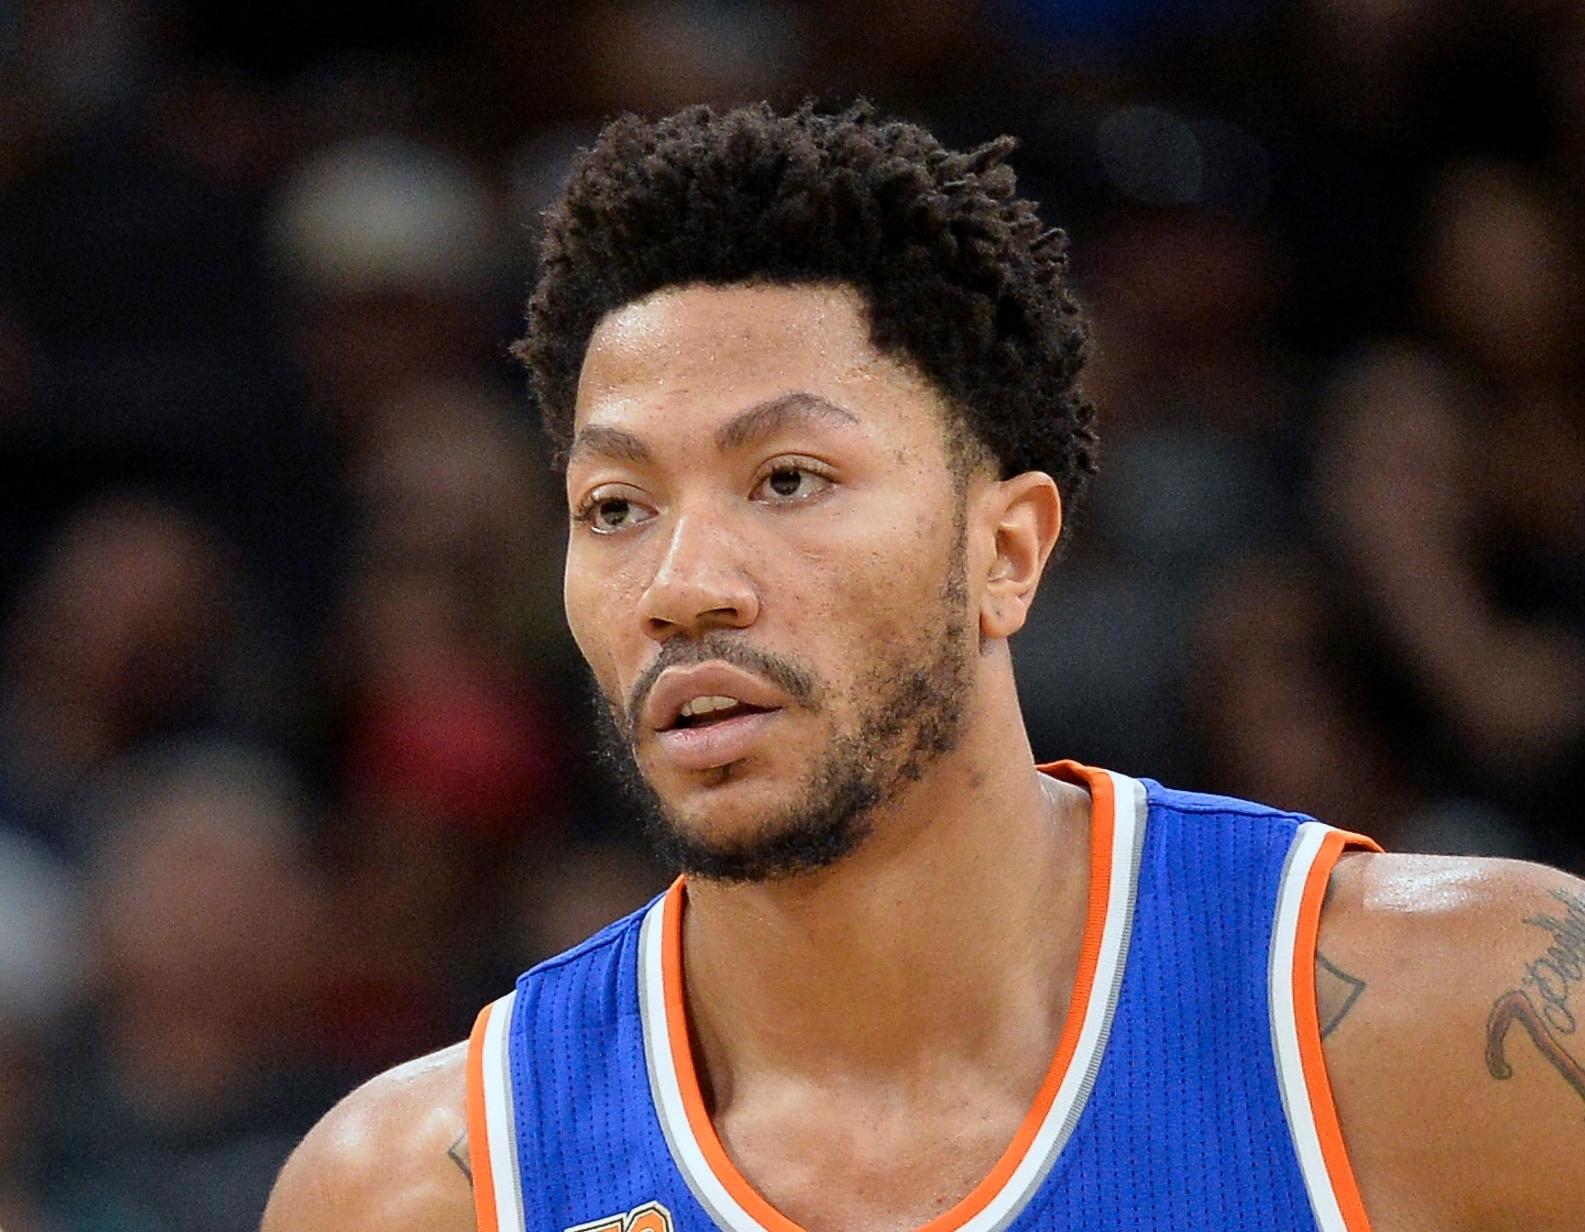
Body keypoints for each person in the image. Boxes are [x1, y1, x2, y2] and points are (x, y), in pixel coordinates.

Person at [261, 102, 1585, 1232]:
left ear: (1004, 549)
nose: (678, 585)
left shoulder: (1462, 1020)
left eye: (786, 478)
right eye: (615, 507)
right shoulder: (415, 1187)